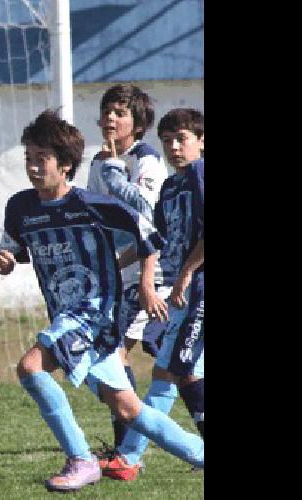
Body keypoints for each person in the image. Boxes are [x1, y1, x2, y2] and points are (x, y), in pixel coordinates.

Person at [0, 110, 203, 492]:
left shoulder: (95, 206)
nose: (34, 168)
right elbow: (13, 248)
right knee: (129, 410)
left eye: (42, 160)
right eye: (29, 159)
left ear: (66, 165)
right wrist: (6, 260)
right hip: (67, 315)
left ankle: (81, 459)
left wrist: (145, 285)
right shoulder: (20, 207)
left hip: (91, 314)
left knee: (30, 367)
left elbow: (150, 238)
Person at [100, 108, 204, 480]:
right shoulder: (172, 186)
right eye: (167, 141)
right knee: (183, 369)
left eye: (183, 139)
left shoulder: (200, 175)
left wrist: (186, 274)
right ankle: (129, 457)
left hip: (198, 287)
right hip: (186, 289)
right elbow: (154, 240)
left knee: (169, 370)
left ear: (201, 141)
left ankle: (129, 458)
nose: (174, 147)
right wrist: (115, 263)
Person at [84, 84, 170, 451]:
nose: (110, 118)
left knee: (113, 358)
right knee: (109, 359)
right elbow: (94, 212)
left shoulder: (146, 159)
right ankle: (128, 444)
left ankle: (127, 449)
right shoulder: (99, 161)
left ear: (138, 123)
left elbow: (146, 216)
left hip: (149, 273)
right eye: (107, 111)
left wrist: (117, 173)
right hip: (117, 274)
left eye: (119, 113)